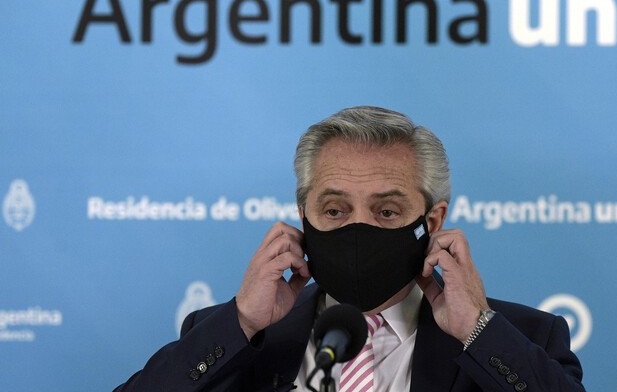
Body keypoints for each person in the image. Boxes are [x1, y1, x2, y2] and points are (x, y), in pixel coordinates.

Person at [115, 106, 586, 392]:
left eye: (386, 211)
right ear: (303, 218)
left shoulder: (527, 337)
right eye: (335, 210)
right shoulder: (231, 336)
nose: (358, 230)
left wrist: (477, 331)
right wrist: (242, 322)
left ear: (433, 222)